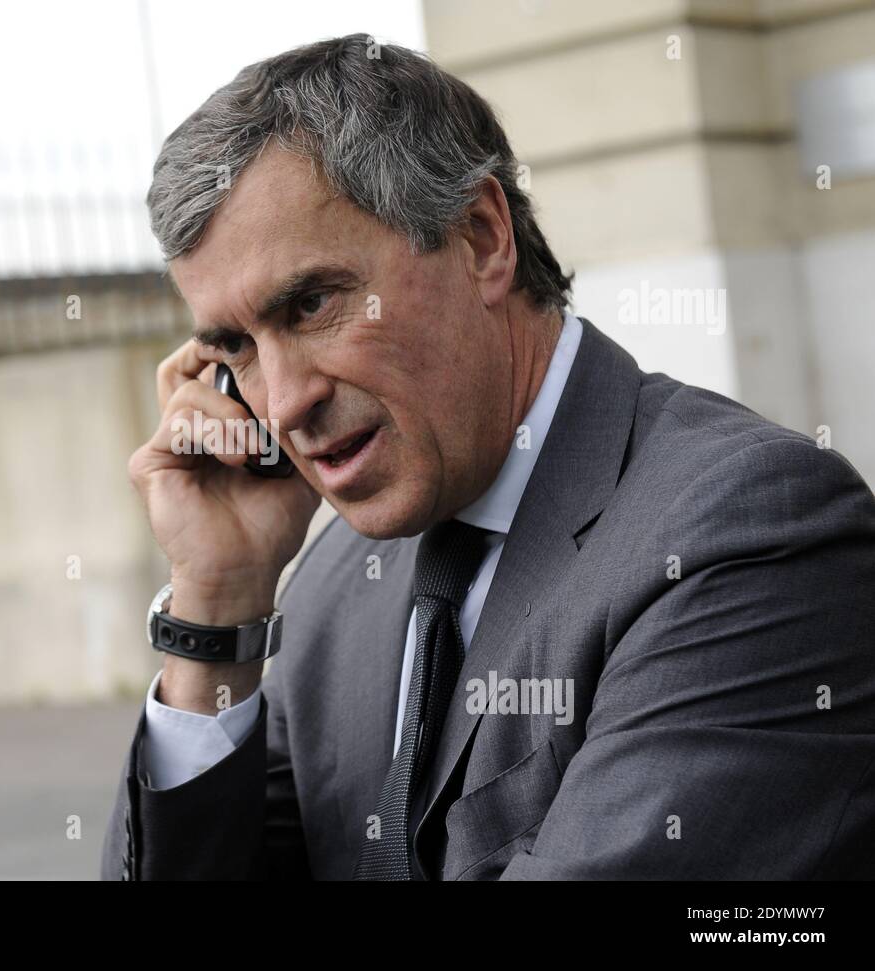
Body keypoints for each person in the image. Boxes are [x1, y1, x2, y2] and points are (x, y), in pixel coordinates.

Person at [101, 34, 875, 880]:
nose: (281, 403)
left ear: (479, 237)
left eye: (313, 303)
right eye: (235, 347)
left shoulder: (749, 528)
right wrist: (219, 604)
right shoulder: (326, 588)